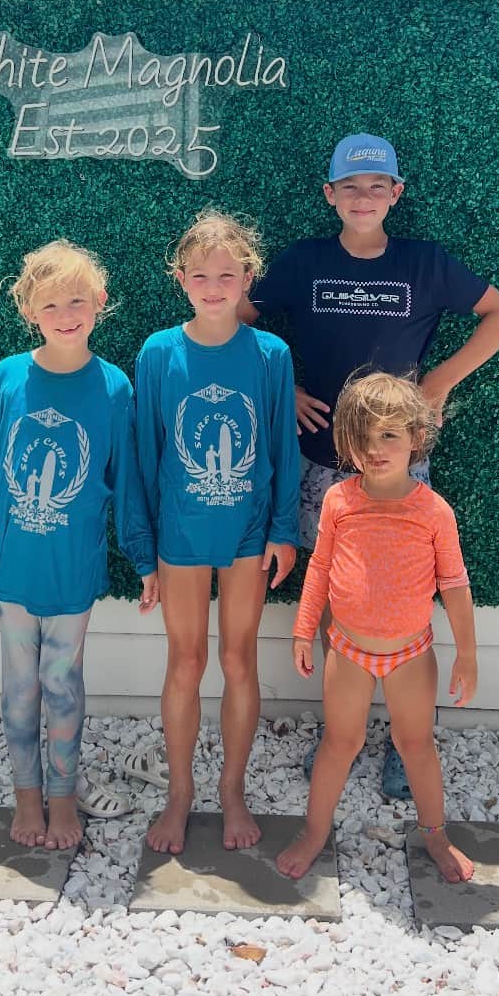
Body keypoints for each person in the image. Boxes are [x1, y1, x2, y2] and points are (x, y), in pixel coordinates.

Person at [241, 133, 499, 798]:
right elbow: (236, 317)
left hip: (400, 466)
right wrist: (281, 387)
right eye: (349, 187)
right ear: (328, 195)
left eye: (376, 186)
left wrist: (441, 381)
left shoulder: (424, 264)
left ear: (395, 194)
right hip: (321, 461)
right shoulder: (303, 262)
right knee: (340, 589)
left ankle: (405, 732)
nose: (362, 198)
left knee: (403, 592)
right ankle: (342, 726)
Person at [0, 240, 159, 851]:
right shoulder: (9, 375)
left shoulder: (115, 386)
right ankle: (27, 798)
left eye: (77, 300)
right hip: (14, 566)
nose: (65, 313)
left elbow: (126, 483)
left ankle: (64, 797)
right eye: (50, 304)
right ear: (30, 312)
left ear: (99, 303)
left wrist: (143, 557)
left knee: (63, 682)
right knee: (20, 684)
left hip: (74, 567)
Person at [135, 211, 299, 855]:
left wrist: (284, 531)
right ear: (180, 279)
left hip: (249, 535)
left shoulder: (271, 355)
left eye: (226, 274)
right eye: (199, 275)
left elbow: (282, 447)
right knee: (187, 661)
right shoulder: (157, 352)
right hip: (179, 535)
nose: (212, 285)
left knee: (237, 659)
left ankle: (232, 790)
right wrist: (142, 545)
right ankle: (180, 794)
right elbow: (146, 452)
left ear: (246, 278)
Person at [276, 372, 478, 884]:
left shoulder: (433, 511)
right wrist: (304, 630)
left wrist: (468, 654)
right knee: (339, 743)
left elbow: (453, 583)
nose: (377, 447)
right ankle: (315, 831)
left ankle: (435, 834)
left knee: (416, 745)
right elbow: (319, 567)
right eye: (364, 436)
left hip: (411, 653)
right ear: (347, 442)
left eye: (389, 434)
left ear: (416, 436)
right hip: (347, 651)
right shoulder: (340, 501)